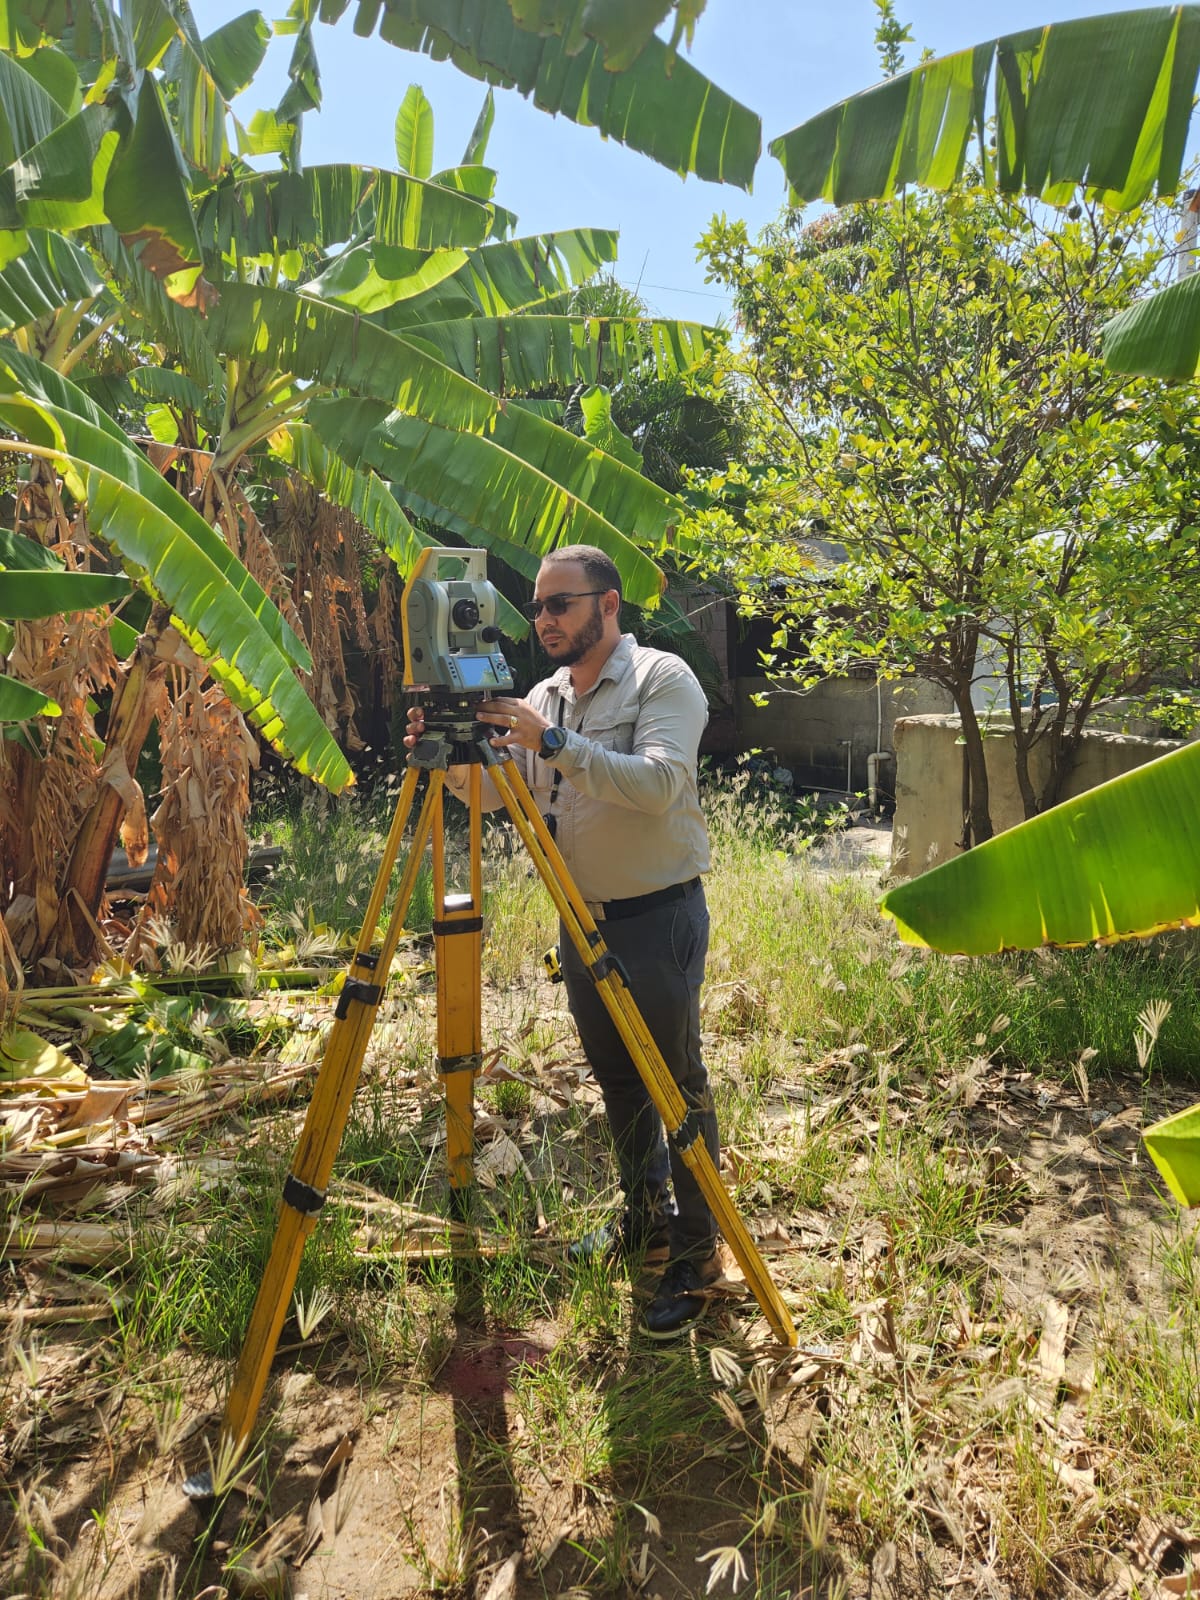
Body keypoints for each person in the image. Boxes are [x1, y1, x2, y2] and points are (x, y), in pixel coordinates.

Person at [406, 546, 722, 1338]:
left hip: (657, 917)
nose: (542, 620)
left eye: (560, 605)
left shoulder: (663, 681)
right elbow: (501, 799)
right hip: (578, 922)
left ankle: (698, 1250)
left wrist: (552, 744)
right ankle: (645, 1221)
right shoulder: (544, 694)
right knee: (618, 1084)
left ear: (608, 605)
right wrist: (448, 757)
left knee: (675, 1086)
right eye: (538, 608)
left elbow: (659, 785)